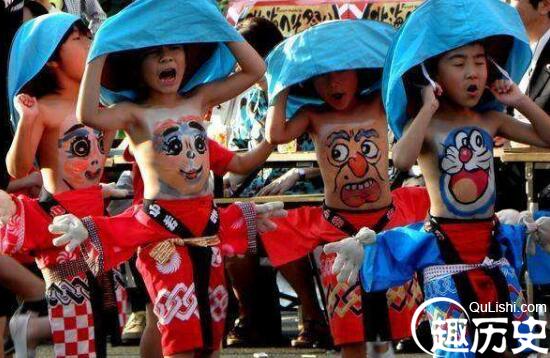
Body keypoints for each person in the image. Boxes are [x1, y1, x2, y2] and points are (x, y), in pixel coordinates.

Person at [48, 1, 285, 357]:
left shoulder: (199, 98)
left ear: (188, 57)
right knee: (177, 333)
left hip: (208, 231)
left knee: (211, 332)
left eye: (174, 48)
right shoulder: (135, 114)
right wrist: (101, 49)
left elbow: (254, 69)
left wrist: (215, 25)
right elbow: (88, 113)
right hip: (160, 236)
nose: (165, 58)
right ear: (134, 66)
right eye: (153, 53)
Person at [326, 0, 550, 356]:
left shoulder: (490, 120)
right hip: (443, 251)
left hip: (491, 247)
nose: (472, 72)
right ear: (433, 74)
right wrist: (428, 107)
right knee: (457, 347)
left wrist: (520, 100)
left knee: (508, 344)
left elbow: (546, 137)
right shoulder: (428, 123)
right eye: (459, 63)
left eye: (479, 62)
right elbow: (400, 158)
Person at [262, 20, 430, 358]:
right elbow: (275, 135)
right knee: (350, 331)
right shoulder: (312, 115)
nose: (333, 82)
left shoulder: (380, 103)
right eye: (322, 76)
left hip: (386, 225)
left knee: (389, 329)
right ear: (308, 81)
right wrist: (281, 86)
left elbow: (410, 87)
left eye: (341, 73)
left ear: (362, 72)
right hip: (337, 228)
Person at [0, 13, 130, 357]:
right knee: (75, 325)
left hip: (96, 224)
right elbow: (17, 167)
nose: (90, 44)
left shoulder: (97, 105)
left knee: (105, 318)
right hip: (58, 225)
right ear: (51, 58)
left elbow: (101, 155)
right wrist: (27, 122)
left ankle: (29, 329)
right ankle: (28, 329)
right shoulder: (42, 108)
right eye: (80, 38)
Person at [223, 16, 328, 349]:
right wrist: (225, 182)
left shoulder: (310, 94)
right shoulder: (252, 101)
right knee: (230, 226)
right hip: (260, 195)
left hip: (308, 192)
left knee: (278, 224)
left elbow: (333, 150)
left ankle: (312, 316)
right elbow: (241, 154)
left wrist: (294, 173)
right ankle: (252, 316)